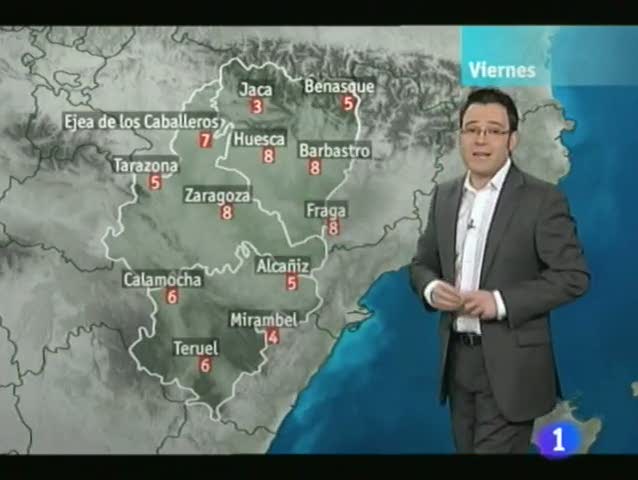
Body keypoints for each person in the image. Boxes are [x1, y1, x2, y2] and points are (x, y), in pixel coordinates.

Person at [409, 87, 590, 454]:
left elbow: (573, 276)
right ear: (460, 136)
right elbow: (422, 265)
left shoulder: (542, 200)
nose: (481, 139)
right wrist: (432, 289)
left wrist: (500, 302)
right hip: (458, 364)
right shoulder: (444, 196)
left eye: (493, 130)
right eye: (472, 129)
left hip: (512, 368)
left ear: (512, 140)